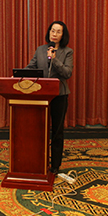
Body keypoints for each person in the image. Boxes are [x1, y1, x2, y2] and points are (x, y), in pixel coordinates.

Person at [25, 21, 73, 174]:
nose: (54, 34)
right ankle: (39, 161)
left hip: (60, 95)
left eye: (58, 31)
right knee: (39, 129)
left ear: (63, 35)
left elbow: (67, 73)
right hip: (41, 94)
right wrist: (18, 75)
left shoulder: (67, 52)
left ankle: (55, 165)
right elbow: (31, 67)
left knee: (57, 131)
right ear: (49, 32)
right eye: (53, 30)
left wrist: (54, 59)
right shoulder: (40, 50)